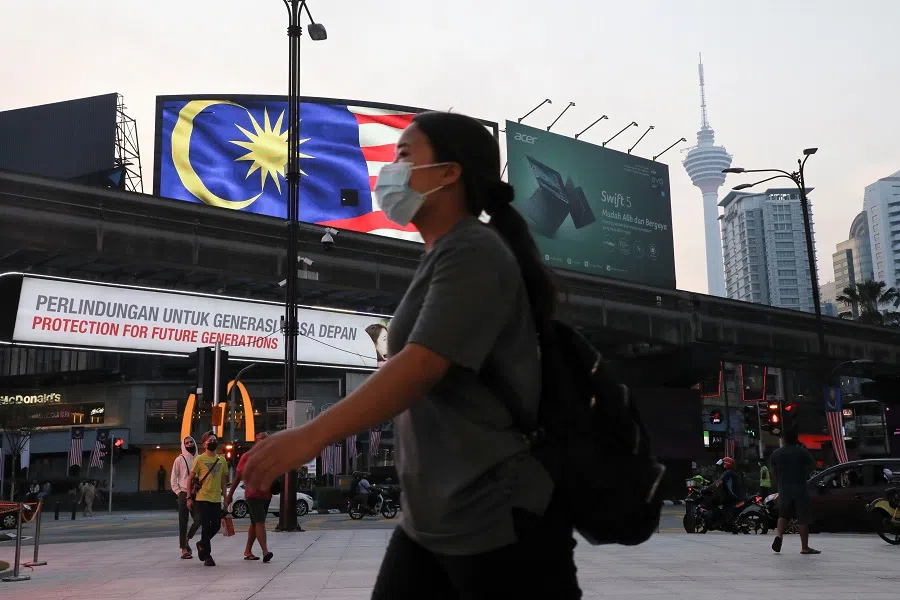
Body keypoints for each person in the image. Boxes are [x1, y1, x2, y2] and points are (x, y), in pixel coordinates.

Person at [242, 111, 581, 599]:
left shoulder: (473, 250)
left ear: (449, 173)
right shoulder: (442, 255)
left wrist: (310, 437)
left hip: (497, 520)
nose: (390, 170)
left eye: (404, 155)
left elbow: (421, 365)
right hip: (432, 521)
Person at [770, 429, 819, 555]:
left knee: (783, 514)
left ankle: (779, 536)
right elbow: (813, 466)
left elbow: (773, 472)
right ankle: (804, 547)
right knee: (803, 518)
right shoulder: (802, 452)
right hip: (800, 487)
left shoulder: (776, 453)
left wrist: (778, 484)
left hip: (784, 488)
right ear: (796, 438)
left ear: (784, 439)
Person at [226, 432, 273, 563]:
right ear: (255, 442)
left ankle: (248, 551)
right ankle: (265, 551)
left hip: (266, 494)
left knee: (254, 523)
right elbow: (238, 477)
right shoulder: (247, 457)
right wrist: (229, 495)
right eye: (261, 440)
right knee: (260, 522)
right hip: (253, 495)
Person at [188, 432, 229, 567]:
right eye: (210, 440)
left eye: (214, 440)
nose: (212, 441)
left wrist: (226, 496)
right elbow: (190, 479)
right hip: (202, 498)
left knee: (216, 525)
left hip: (216, 499)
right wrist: (189, 497)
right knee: (205, 526)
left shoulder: (222, 460)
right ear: (204, 443)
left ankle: (201, 544)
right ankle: (207, 556)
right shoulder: (199, 459)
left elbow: (223, 480)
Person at [171, 435, 201, 559]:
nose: (189, 444)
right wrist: (179, 493)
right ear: (184, 445)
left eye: (191, 442)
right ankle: (184, 549)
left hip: (197, 493)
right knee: (183, 522)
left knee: (199, 519)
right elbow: (173, 479)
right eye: (187, 443)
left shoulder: (200, 458)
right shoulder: (179, 459)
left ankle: (188, 538)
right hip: (183, 493)